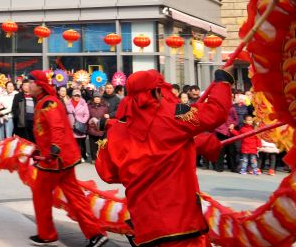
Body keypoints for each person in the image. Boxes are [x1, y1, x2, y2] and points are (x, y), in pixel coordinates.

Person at [96, 66, 235, 247]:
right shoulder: (174, 115)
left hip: (145, 226)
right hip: (181, 223)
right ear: (155, 92)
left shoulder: (116, 131)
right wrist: (223, 81)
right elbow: (216, 112)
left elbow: (108, 173)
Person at [25, 70, 109, 247]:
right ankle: (96, 234)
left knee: (40, 194)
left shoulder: (48, 103)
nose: (28, 85)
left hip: (54, 161)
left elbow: (57, 127)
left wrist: (54, 149)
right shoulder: (45, 102)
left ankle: (47, 234)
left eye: (31, 82)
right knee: (76, 197)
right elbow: (45, 131)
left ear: (40, 85)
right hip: (61, 159)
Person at [65, 87, 91, 162]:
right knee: (72, 143)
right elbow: (65, 114)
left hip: (80, 126)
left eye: (78, 95)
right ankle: (73, 157)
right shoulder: (68, 103)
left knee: (81, 143)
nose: (77, 97)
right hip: (71, 126)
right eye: (75, 95)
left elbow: (87, 114)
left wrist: (82, 121)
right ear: (72, 96)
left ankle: (81, 156)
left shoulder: (83, 103)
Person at [86, 94, 108, 162]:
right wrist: (90, 121)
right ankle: (94, 159)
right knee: (92, 144)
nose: (97, 99)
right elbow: (87, 115)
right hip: (92, 126)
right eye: (95, 98)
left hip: (101, 127)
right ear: (93, 99)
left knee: (101, 144)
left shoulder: (104, 106)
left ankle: (101, 158)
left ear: (100, 99)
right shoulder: (89, 106)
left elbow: (106, 115)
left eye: (98, 98)